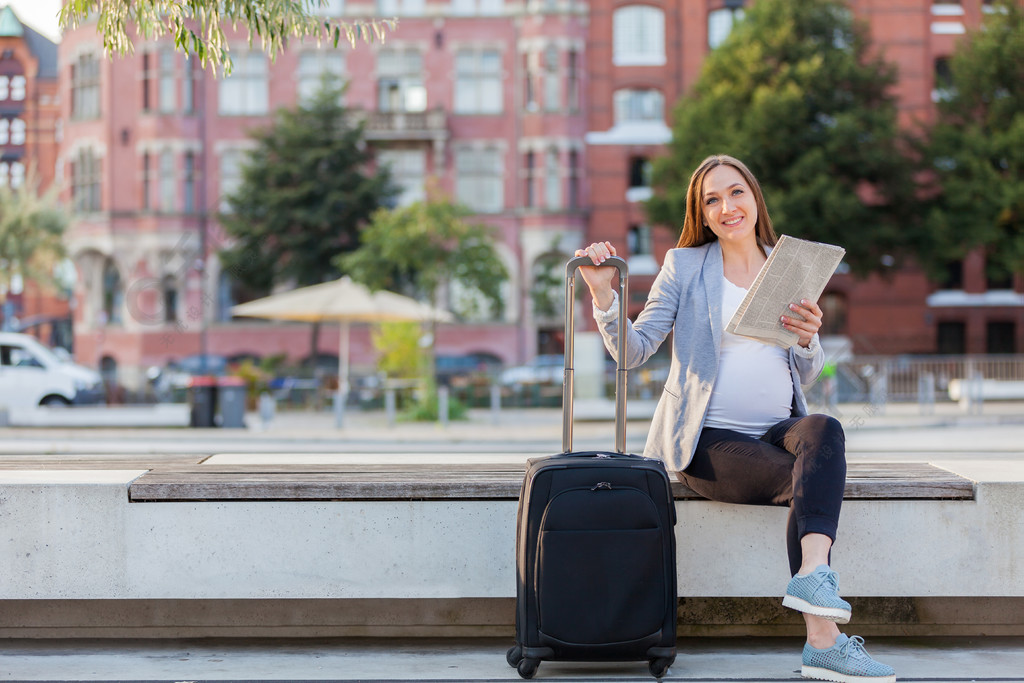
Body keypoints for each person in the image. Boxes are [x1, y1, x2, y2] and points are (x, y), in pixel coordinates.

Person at [576, 154, 894, 683]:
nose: (727, 206)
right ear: (701, 213)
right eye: (712, 199)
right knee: (808, 482)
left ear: (754, 198)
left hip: (776, 429)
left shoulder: (788, 265)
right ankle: (823, 640)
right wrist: (605, 297)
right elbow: (633, 352)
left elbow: (804, 375)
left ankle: (814, 577)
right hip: (706, 442)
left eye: (736, 193)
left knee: (826, 430)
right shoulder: (684, 266)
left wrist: (811, 338)